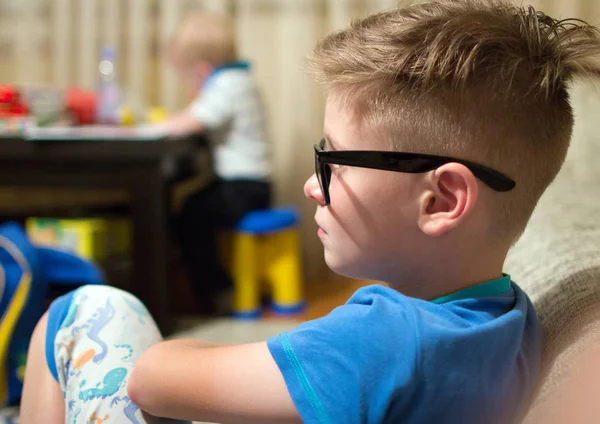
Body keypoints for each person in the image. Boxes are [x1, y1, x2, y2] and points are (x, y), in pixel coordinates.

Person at [21, 1, 600, 422]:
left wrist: (185, 352)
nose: (310, 186)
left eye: (334, 161)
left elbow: (149, 379)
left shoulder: (382, 342)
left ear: (442, 200)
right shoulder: (507, 316)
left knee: (86, 309)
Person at [165, 11, 271, 313]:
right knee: (194, 206)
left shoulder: (226, 84)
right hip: (252, 184)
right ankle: (209, 286)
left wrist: (160, 124)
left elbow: (194, 120)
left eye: (187, 76)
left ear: (201, 70)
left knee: (190, 214)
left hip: (244, 187)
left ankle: (217, 291)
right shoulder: (241, 78)